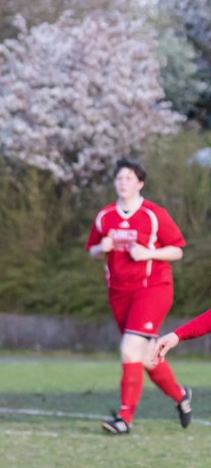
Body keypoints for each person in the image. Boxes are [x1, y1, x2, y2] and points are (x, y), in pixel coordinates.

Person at [86, 158, 192, 434]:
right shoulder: (105, 215)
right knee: (145, 357)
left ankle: (124, 419)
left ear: (140, 183)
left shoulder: (153, 213)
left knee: (129, 348)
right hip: (120, 293)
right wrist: (100, 248)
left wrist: (149, 253)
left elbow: (178, 249)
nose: (123, 183)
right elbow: (92, 250)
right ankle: (181, 396)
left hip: (153, 289)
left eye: (129, 178)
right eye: (119, 178)